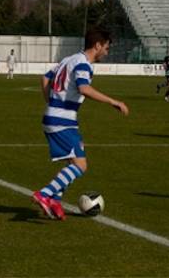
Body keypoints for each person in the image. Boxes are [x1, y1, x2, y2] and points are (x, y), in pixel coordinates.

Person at [33, 28, 129, 221]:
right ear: (98, 45)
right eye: (106, 48)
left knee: (72, 162)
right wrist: (113, 102)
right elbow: (84, 88)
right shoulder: (83, 64)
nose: (106, 52)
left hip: (56, 118)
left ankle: (55, 201)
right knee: (80, 165)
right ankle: (44, 194)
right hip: (62, 120)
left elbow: (45, 78)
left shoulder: (69, 59)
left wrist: (51, 104)